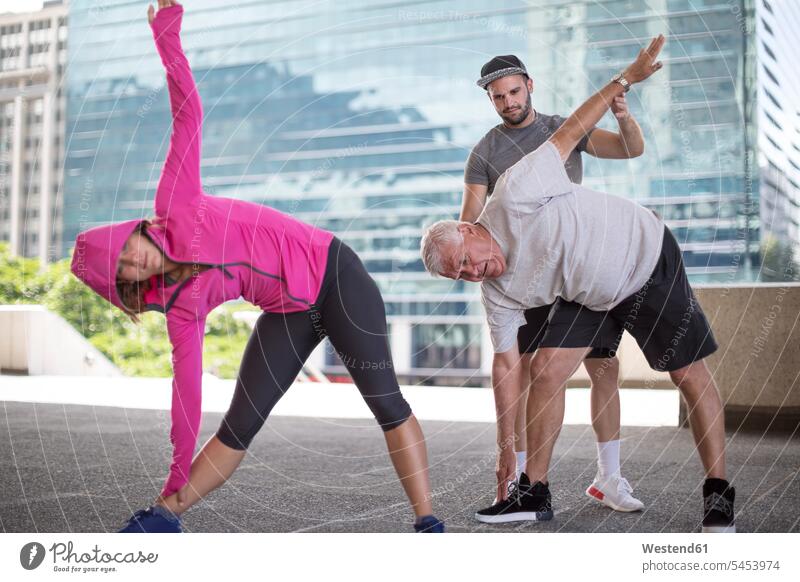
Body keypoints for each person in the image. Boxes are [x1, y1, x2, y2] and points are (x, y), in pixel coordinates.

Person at [70, 0, 443, 534]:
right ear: (130, 287)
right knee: (239, 423)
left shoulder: (176, 202)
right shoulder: (181, 305)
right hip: (290, 310)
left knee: (385, 401)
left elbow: (188, 113)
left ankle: (428, 521)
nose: (134, 258)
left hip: (336, 275)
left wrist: (167, 34)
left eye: (126, 247)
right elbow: (186, 390)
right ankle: (163, 515)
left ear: (132, 230)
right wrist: (176, 469)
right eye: (124, 270)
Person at [421, 35, 736, 533]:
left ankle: (717, 495)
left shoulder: (521, 183)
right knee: (544, 370)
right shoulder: (494, 277)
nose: (470, 273)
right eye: (458, 274)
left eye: (464, 261)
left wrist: (627, 79)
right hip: (580, 285)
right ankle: (533, 491)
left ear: (527, 86)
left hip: (642, 256)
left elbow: (578, 128)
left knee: (688, 374)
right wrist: (507, 454)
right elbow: (505, 368)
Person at [462, 54, 648, 514]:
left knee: (604, 369)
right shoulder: (485, 152)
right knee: (529, 375)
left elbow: (631, 150)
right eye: (497, 97)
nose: (507, 102)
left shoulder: (562, 128)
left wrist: (624, 118)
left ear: (530, 84)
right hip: (527, 279)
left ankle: (609, 478)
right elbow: (470, 220)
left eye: (513, 91)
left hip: (581, 268)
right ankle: (521, 483)